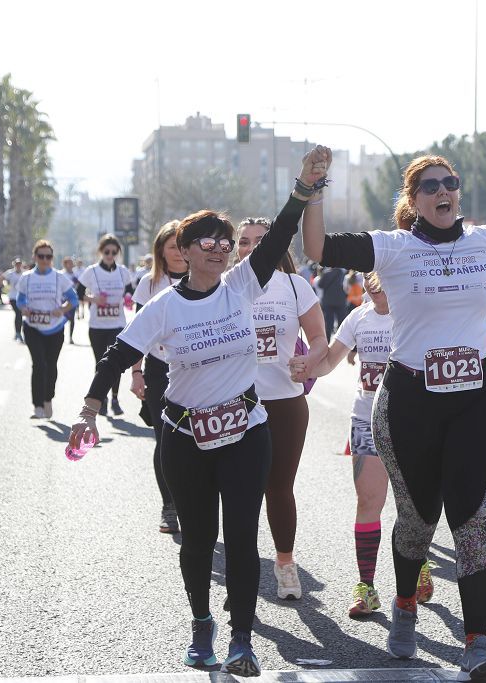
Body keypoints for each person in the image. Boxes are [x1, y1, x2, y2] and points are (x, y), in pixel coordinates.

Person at [301, 150, 486, 681]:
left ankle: (477, 641)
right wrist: (313, 189)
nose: (441, 191)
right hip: (410, 402)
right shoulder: (394, 249)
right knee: (417, 519)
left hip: (476, 399)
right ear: (413, 201)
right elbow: (317, 247)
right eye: (429, 186)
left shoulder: (484, 240)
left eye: (449, 182)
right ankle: (405, 603)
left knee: (475, 521)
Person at [68, 147, 328, 677]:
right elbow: (118, 355)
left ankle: (241, 637)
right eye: (204, 242)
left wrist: (303, 187)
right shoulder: (162, 307)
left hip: (246, 429)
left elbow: (279, 234)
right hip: (185, 436)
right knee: (198, 536)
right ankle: (201, 623)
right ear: (182, 251)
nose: (217, 249)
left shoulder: (242, 285)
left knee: (240, 534)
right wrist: (89, 409)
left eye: (224, 242)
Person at [306, 272, 437, 617]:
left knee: (413, 504)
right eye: (369, 275)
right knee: (368, 501)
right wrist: (300, 365)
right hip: (366, 418)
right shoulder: (358, 317)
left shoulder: (415, 312)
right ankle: (367, 587)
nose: (375, 282)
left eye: (383, 273)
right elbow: (328, 362)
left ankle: (418, 563)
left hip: (412, 421)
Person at [234, 215, 328, 601]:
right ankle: (242, 573)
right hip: (238, 403)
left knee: (279, 487)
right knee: (239, 490)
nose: (252, 246)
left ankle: (285, 564)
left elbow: (320, 337)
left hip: (286, 403)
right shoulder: (228, 287)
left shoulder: (294, 285)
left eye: (261, 239)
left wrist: (310, 360)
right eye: (244, 241)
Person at [130, 220, 188, 534]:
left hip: (197, 372)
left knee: (198, 440)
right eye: (171, 247)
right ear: (161, 252)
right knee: (165, 440)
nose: (178, 252)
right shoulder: (148, 284)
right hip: (158, 370)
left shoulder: (204, 279)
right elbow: (136, 335)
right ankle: (170, 507)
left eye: (182, 245)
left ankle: (194, 502)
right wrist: (136, 373)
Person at [17, 240, 79, 419]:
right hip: (33, 327)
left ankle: (48, 400)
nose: (45, 260)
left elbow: (73, 300)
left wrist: (62, 309)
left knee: (50, 365)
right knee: (38, 364)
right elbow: (20, 300)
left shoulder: (60, 277)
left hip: (55, 329)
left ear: (52, 258)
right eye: (41, 256)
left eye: (48, 256)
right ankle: (37, 405)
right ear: (35, 257)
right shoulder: (27, 278)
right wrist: (24, 308)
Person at [77, 235, 136, 416]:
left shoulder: (122, 272)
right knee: (100, 364)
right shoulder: (92, 271)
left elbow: (130, 291)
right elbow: (79, 293)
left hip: (117, 324)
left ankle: (115, 399)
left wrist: (127, 298)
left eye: (113, 252)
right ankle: (101, 399)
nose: (110, 255)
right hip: (97, 325)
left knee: (115, 364)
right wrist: (94, 299)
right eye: (106, 252)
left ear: (117, 253)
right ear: (101, 252)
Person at [315, 265, 348, 339]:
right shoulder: (342, 274)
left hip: (328, 301)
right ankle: (341, 340)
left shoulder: (326, 274)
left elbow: (320, 285)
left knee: (328, 323)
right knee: (341, 322)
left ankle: (327, 341)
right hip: (340, 301)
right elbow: (346, 287)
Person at [0, 257, 26, 341]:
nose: (18, 266)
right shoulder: (10, 273)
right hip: (13, 297)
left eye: (19, 264)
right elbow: (1, 277)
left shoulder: (25, 274)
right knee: (18, 313)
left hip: (22, 298)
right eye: (16, 264)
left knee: (20, 315)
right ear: (14, 265)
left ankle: (19, 332)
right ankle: (18, 333)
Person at [60, 256, 81, 344]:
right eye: (69, 263)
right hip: (62, 300)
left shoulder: (75, 274)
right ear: (65, 264)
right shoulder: (61, 274)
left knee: (72, 319)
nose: (71, 265)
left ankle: (70, 337)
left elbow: (78, 285)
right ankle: (61, 335)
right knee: (62, 319)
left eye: (72, 263)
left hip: (72, 301)